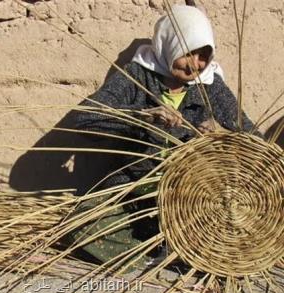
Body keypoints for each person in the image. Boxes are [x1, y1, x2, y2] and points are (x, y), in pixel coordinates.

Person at [63, 4, 259, 270]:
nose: (196, 64)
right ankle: (156, 254)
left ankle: (175, 245)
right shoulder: (137, 76)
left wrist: (223, 134)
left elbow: (254, 140)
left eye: (204, 55)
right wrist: (143, 116)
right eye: (189, 53)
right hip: (134, 191)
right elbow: (86, 120)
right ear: (170, 44)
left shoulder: (211, 86)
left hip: (191, 200)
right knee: (80, 226)